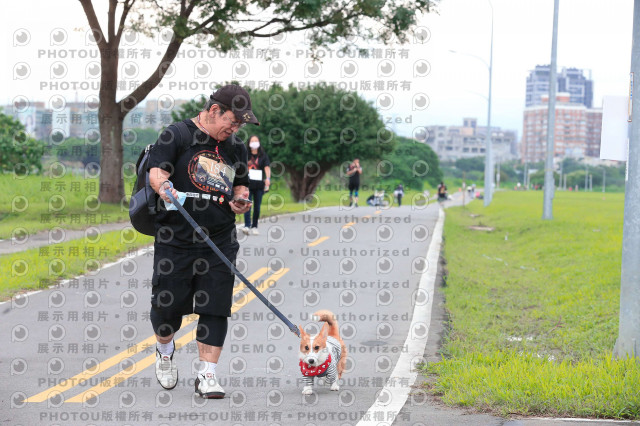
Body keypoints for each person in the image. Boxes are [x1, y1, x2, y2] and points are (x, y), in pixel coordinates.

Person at [148, 84, 258, 399]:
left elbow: (240, 184)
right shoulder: (177, 135)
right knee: (167, 310)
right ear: (213, 111)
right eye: (232, 122)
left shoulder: (235, 148)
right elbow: (156, 173)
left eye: (239, 126)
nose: (234, 130)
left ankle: (207, 375)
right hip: (176, 239)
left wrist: (241, 199)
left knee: (215, 307)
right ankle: (164, 350)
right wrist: (164, 187)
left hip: (219, 239)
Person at [242, 135, 271, 235]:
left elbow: (267, 167)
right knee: (247, 205)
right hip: (248, 184)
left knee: (257, 207)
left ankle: (255, 226)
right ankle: (247, 225)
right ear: (249, 143)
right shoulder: (245, 154)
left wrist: (268, 178)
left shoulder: (263, 155)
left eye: (256, 141)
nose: (254, 142)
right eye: (252, 141)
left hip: (259, 185)